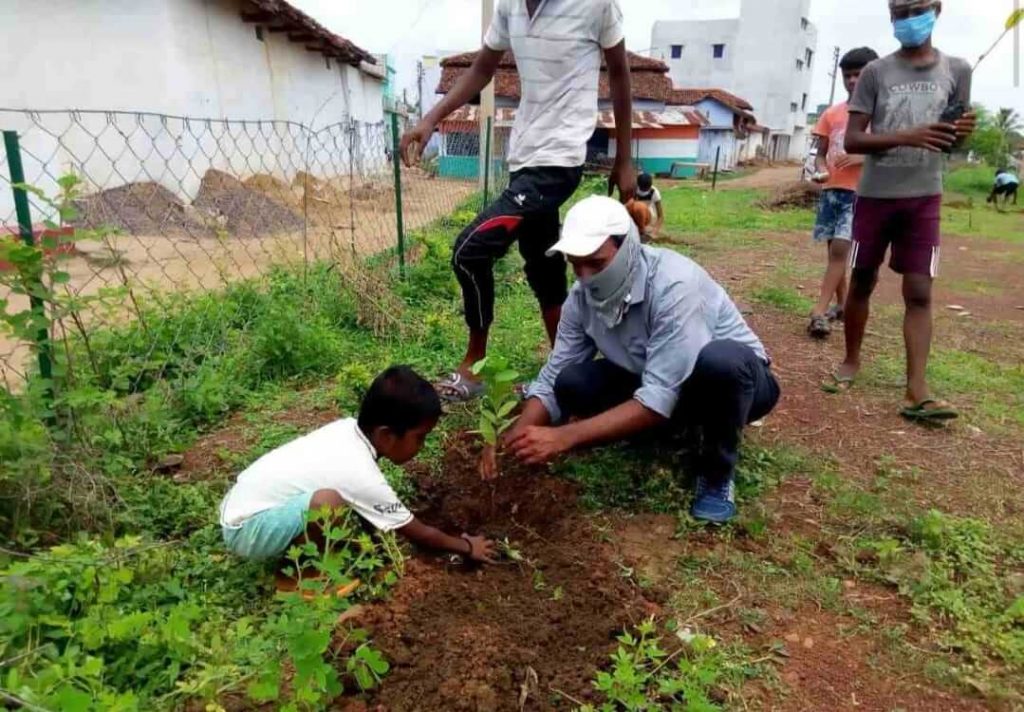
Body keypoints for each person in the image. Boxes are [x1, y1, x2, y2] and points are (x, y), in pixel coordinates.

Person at [399, 0, 635, 402]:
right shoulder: (509, 6)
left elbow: (619, 73)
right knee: (544, 270)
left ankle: (474, 367)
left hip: (559, 161)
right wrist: (429, 119)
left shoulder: (596, 5)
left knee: (468, 252)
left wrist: (625, 158)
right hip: (523, 157)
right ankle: (568, 374)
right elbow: (481, 68)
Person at [502, 196, 779, 524]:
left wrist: (565, 437)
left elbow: (660, 394)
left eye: (597, 262)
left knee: (722, 363)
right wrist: (521, 432)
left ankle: (717, 475)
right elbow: (555, 371)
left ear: (629, 247)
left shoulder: (675, 286)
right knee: (571, 383)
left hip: (735, 384)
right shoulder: (581, 297)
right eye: (575, 264)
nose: (585, 276)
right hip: (654, 376)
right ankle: (670, 431)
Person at [835, 0, 975, 422]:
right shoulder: (877, 73)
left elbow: (955, 143)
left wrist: (962, 132)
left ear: (937, 9)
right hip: (875, 196)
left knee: (919, 292)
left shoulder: (958, 70)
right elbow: (854, 141)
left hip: (924, 196)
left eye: (916, 8)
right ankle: (851, 359)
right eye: (899, 11)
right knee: (862, 280)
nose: (907, 18)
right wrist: (908, 135)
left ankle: (917, 388)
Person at [219, 366, 497, 563]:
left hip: (244, 502)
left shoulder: (347, 429)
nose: (421, 446)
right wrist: (465, 545)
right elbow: (418, 533)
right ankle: (306, 577)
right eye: (419, 438)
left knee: (330, 500)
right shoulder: (360, 473)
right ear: (386, 435)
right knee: (325, 503)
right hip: (246, 529)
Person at [807, 47, 879, 339]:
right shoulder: (832, 113)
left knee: (839, 251)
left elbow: (890, 151)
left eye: (858, 75)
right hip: (832, 190)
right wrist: (821, 169)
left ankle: (818, 311)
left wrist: (862, 158)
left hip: (860, 193)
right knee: (833, 255)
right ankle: (843, 304)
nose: (852, 81)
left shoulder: (881, 115)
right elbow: (820, 154)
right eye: (847, 75)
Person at [634, 173, 664, 239]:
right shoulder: (633, 190)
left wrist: (654, 232)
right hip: (635, 214)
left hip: (648, 216)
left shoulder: (654, 192)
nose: (644, 191)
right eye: (642, 189)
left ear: (650, 186)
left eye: (646, 189)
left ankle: (643, 229)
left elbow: (660, 216)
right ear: (638, 185)